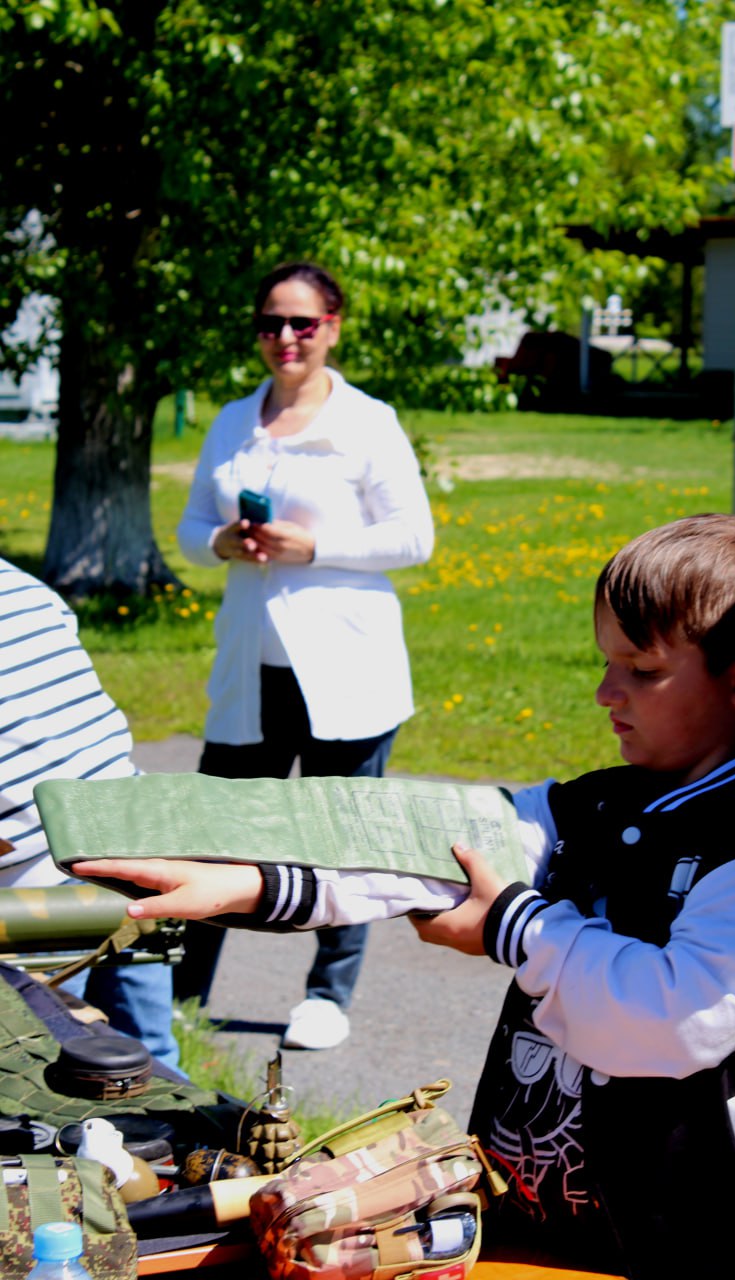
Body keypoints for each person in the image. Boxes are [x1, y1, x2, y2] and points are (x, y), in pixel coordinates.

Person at [72, 514, 735, 1280]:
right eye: (605, 661)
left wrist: (514, 924)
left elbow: (671, 1019)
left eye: (641, 671)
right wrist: (250, 881)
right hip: (528, 1225)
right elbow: (429, 849)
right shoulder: (600, 803)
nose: (604, 691)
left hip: (696, 1250)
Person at [173, 260, 434, 1049]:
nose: (284, 338)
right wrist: (221, 541)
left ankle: (328, 993)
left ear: (333, 327)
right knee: (219, 830)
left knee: (339, 833)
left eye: (302, 324)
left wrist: (313, 546)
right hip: (251, 667)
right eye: (270, 323)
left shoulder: (366, 422)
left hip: (346, 671)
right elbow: (189, 528)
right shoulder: (230, 421)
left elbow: (413, 537)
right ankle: (184, 991)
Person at [0, 556, 181, 1072]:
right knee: (149, 1055)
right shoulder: (19, 583)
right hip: (136, 834)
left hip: (39, 887)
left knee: (50, 1062)